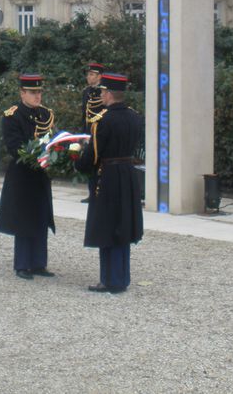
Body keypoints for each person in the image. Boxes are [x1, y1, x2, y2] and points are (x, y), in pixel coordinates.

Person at [76, 72, 144, 294]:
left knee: (107, 226)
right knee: (123, 224)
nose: (101, 95)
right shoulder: (134, 117)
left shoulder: (102, 120)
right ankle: (121, 277)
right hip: (128, 173)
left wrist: (78, 161)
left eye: (103, 92)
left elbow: (94, 156)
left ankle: (110, 279)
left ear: (107, 94)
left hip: (107, 176)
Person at [0, 74, 56, 280]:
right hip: (22, 173)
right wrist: (35, 156)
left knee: (40, 215)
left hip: (40, 173)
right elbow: (14, 147)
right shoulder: (13, 115)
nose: (37, 96)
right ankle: (22, 263)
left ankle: (39, 262)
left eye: (39, 92)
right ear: (22, 93)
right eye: (32, 92)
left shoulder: (46, 114)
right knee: (23, 218)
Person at [79, 62, 105, 204]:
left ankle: (100, 192)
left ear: (99, 76)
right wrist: (83, 135)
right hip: (89, 132)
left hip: (100, 132)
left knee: (100, 164)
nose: (89, 77)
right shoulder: (86, 92)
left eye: (92, 74)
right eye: (88, 74)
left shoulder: (104, 92)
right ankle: (91, 192)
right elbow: (84, 115)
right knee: (90, 163)